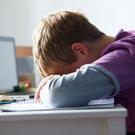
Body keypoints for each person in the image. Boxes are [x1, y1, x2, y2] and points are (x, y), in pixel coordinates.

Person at [33, 11, 135, 134]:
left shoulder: (126, 54)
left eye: (66, 76)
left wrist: (46, 88)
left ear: (80, 50)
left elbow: (59, 93)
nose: (67, 80)